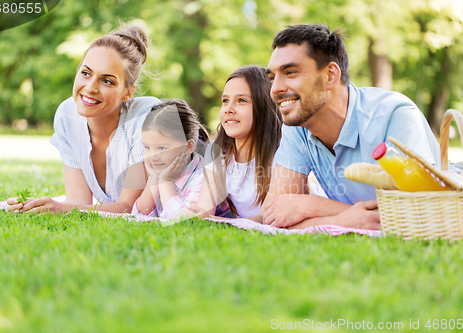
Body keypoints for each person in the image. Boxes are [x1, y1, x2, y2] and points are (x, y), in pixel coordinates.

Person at [261, 24, 441, 230]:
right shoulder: (297, 126)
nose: (276, 89)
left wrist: (311, 206)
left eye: (290, 72)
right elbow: (274, 216)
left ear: (330, 75)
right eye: (272, 78)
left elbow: (417, 213)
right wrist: (340, 220)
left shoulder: (394, 114)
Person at [7, 23, 160, 214]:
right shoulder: (67, 115)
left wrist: (60, 207)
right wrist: (46, 207)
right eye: (86, 73)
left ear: (128, 92)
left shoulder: (146, 118)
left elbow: (130, 208)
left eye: (107, 81)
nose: (90, 87)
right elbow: (78, 202)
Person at [184, 65, 282, 218]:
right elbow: (205, 210)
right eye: (225, 100)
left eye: (241, 100)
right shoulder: (215, 152)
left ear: (264, 107)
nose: (228, 109)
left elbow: (266, 219)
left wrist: (213, 220)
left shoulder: (282, 154)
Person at [132, 99, 212, 219]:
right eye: (147, 147)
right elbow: (139, 214)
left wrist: (165, 182)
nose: (152, 156)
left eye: (162, 148)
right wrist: (155, 178)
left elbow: (187, 220)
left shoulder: (202, 177)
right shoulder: (162, 169)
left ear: (189, 146)